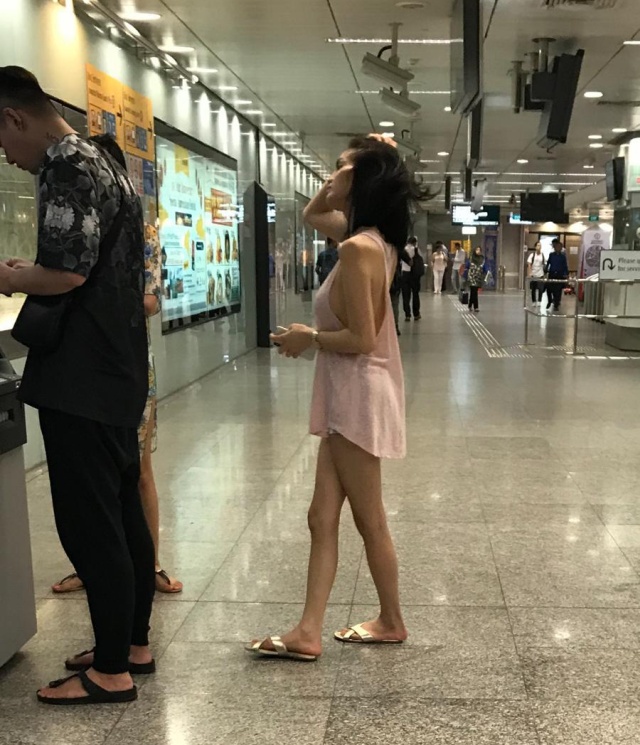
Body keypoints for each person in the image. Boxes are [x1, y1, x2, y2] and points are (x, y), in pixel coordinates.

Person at [0, 66, 154, 704]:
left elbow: (66, 275)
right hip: (118, 364)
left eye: (1, 140)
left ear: (13, 117)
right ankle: (132, 643)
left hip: (81, 373)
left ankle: (111, 670)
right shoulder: (105, 162)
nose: (6, 157)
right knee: (121, 510)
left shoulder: (64, 164)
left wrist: (9, 276)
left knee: (90, 522)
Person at [246, 133, 423, 662]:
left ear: (361, 178)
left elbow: (362, 338)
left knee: (369, 518)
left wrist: (310, 337)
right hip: (350, 390)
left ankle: (391, 620)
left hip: (357, 393)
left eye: (340, 166)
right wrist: (353, 171)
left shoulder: (358, 247)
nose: (330, 173)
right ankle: (308, 630)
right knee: (321, 516)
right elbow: (311, 214)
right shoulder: (366, 238)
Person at [51, 176, 182, 596]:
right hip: (82, 367)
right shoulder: (76, 227)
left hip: (126, 364)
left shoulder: (142, 233)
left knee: (137, 470)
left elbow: (150, 300)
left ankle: (150, 564)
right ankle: (91, 566)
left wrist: (88, 293)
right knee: (89, 480)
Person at [401, 236, 422, 321]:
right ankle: (416, 314)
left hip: (405, 274)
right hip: (414, 275)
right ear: (415, 242)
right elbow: (421, 260)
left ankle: (407, 315)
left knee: (406, 295)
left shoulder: (403, 250)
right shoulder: (416, 250)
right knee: (415, 294)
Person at [546, 239, 569, 312]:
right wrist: (545, 270)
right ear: (555, 247)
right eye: (557, 247)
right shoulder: (551, 255)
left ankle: (556, 304)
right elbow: (548, 263)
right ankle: (549, 300)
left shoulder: (563, 257)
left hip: (560, 275)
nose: (558, 248)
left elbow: (565, 266)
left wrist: (566, 274)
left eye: (560, 247)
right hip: (552, 274)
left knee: (558, 291)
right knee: (549, 289)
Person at [464, 245, 488, 312]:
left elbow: (485, 267)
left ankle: (470, 305)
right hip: (471, 277)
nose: (478, 251)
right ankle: (476, 307)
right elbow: (466, 266)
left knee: (473, 292)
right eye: (477, 250)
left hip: (478, 278)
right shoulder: (471, 258)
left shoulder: (482, 259)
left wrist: (487, 272)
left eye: (479, 250)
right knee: (474, 292)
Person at [527, 241, 545, 306]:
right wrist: (529, 273)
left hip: (540, 274)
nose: (539, 247)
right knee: (533, 289)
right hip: (533, 274)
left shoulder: (542, 255)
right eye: (538, 245)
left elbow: (544, 264)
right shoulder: (532, 255)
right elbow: (529, 264)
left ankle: (539, 301)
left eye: (540, 245)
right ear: (535, 247)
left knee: (541, 289)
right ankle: (534, 301)